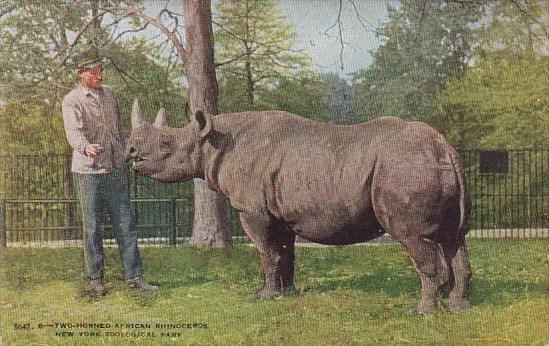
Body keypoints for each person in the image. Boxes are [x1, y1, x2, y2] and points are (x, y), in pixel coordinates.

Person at [62, 46, 157, 295]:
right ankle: (96, 279)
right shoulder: (72, 100)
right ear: (81, 73)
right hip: (88, 173)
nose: (100, 76)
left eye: (101, 70)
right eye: (94, 72)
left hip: (114, 170)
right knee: (92, 227)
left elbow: (118, 132)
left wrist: (128, 151)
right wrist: (85, 147)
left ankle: (134, 277)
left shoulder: (111, 97)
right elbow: (73, 133)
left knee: (125, 224)